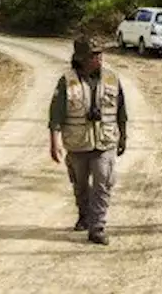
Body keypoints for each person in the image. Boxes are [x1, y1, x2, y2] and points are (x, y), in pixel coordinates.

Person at [47, 37, 127, 245]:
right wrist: (54, 142)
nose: (98, 58)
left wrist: (123, 136)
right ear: (81, 58)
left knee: (103, 182)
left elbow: (121, 110)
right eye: (93, 55)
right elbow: (56, 114)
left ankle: (97, 227)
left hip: (105, 141)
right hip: (78, 143)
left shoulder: (112, 78)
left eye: (100, 54)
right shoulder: (67, 80)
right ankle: (84, 215)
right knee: (81, 185)